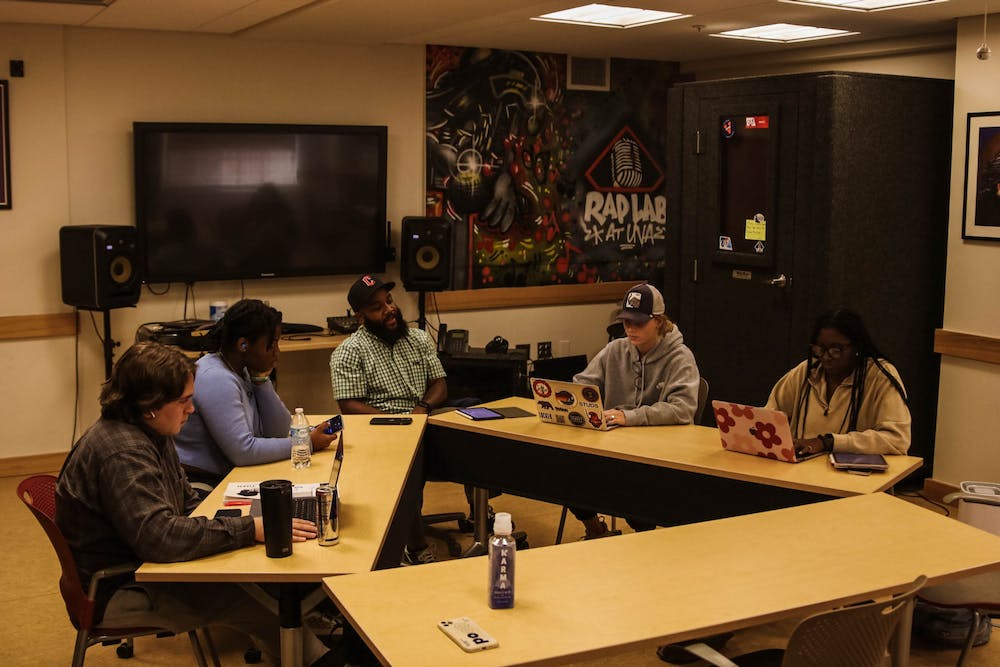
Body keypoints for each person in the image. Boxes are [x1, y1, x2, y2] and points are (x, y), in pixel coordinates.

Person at [55, 342, 328, 664]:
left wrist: (246, 517)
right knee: (258, 598)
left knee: (264, 577)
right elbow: (160, 538)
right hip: (123, 586)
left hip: (141, 566)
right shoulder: (123, 453)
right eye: (183, 401)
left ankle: (302, 644)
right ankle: (317, 658)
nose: (192, 409)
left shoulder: (150, 431)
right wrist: (248, 528)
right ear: (150, 405)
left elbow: (186, 503)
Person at [330, 274, 447, 565]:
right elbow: (350, 406)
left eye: (390, 301)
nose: (389, 310)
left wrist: (421, 408)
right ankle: (415, 547)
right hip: (381, 430)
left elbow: (440, 386)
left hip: (424, 419)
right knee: (404, 468)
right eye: (376, 307)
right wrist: (398, 424)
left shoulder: (418, 338)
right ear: (360, 316)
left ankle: (485, 526)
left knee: (476, 436)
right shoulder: (348, 353)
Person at [569, 282, 701, 539]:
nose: (630, 328)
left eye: (639, 322)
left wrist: (629, 417)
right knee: (570, 471)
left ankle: (643, 540)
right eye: (627, 321)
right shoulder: (615, 350)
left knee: (636, 495)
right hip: (613, 447)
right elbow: (583, 384)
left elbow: (683, 409)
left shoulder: (680, 357)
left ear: (659, 322)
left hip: (657, 454)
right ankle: (595, 529)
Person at [175, 299, 336, 487]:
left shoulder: (242, 368)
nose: (277, 352)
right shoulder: (216, 378)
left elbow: (278, 430)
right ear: (243, 345)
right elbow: (243, 452)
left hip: (230, 474)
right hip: (201, 483)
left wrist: (260, 379)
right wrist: (306, 444)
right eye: (272, 344)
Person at [765, 308, 911, 457]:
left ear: (857, 348)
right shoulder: (807, 371)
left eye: (836, 350)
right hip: (802, 473)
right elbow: (769, 417)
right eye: (820, 348)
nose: (826, 357)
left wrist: (827, 442)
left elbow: (897, 440)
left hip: (855, 476)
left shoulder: (879, 376)